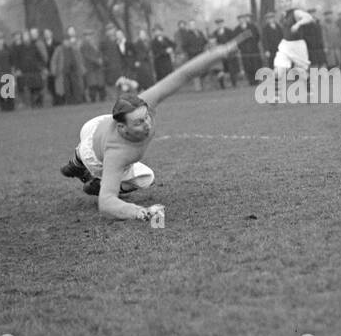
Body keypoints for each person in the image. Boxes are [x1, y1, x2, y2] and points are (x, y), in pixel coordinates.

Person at [56, 33, 250, 221]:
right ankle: (80, 164)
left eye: (146, 117)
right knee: (142, 178)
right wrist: (140, 212)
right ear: (123, 128)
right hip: (94, 153)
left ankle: (89, 177)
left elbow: (182, 74)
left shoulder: (144, 103)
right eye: (139, 123)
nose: (147, 124)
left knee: (143, 178)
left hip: (97, 124)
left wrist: (217, 53)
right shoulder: (117, 153)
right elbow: (106, 204)